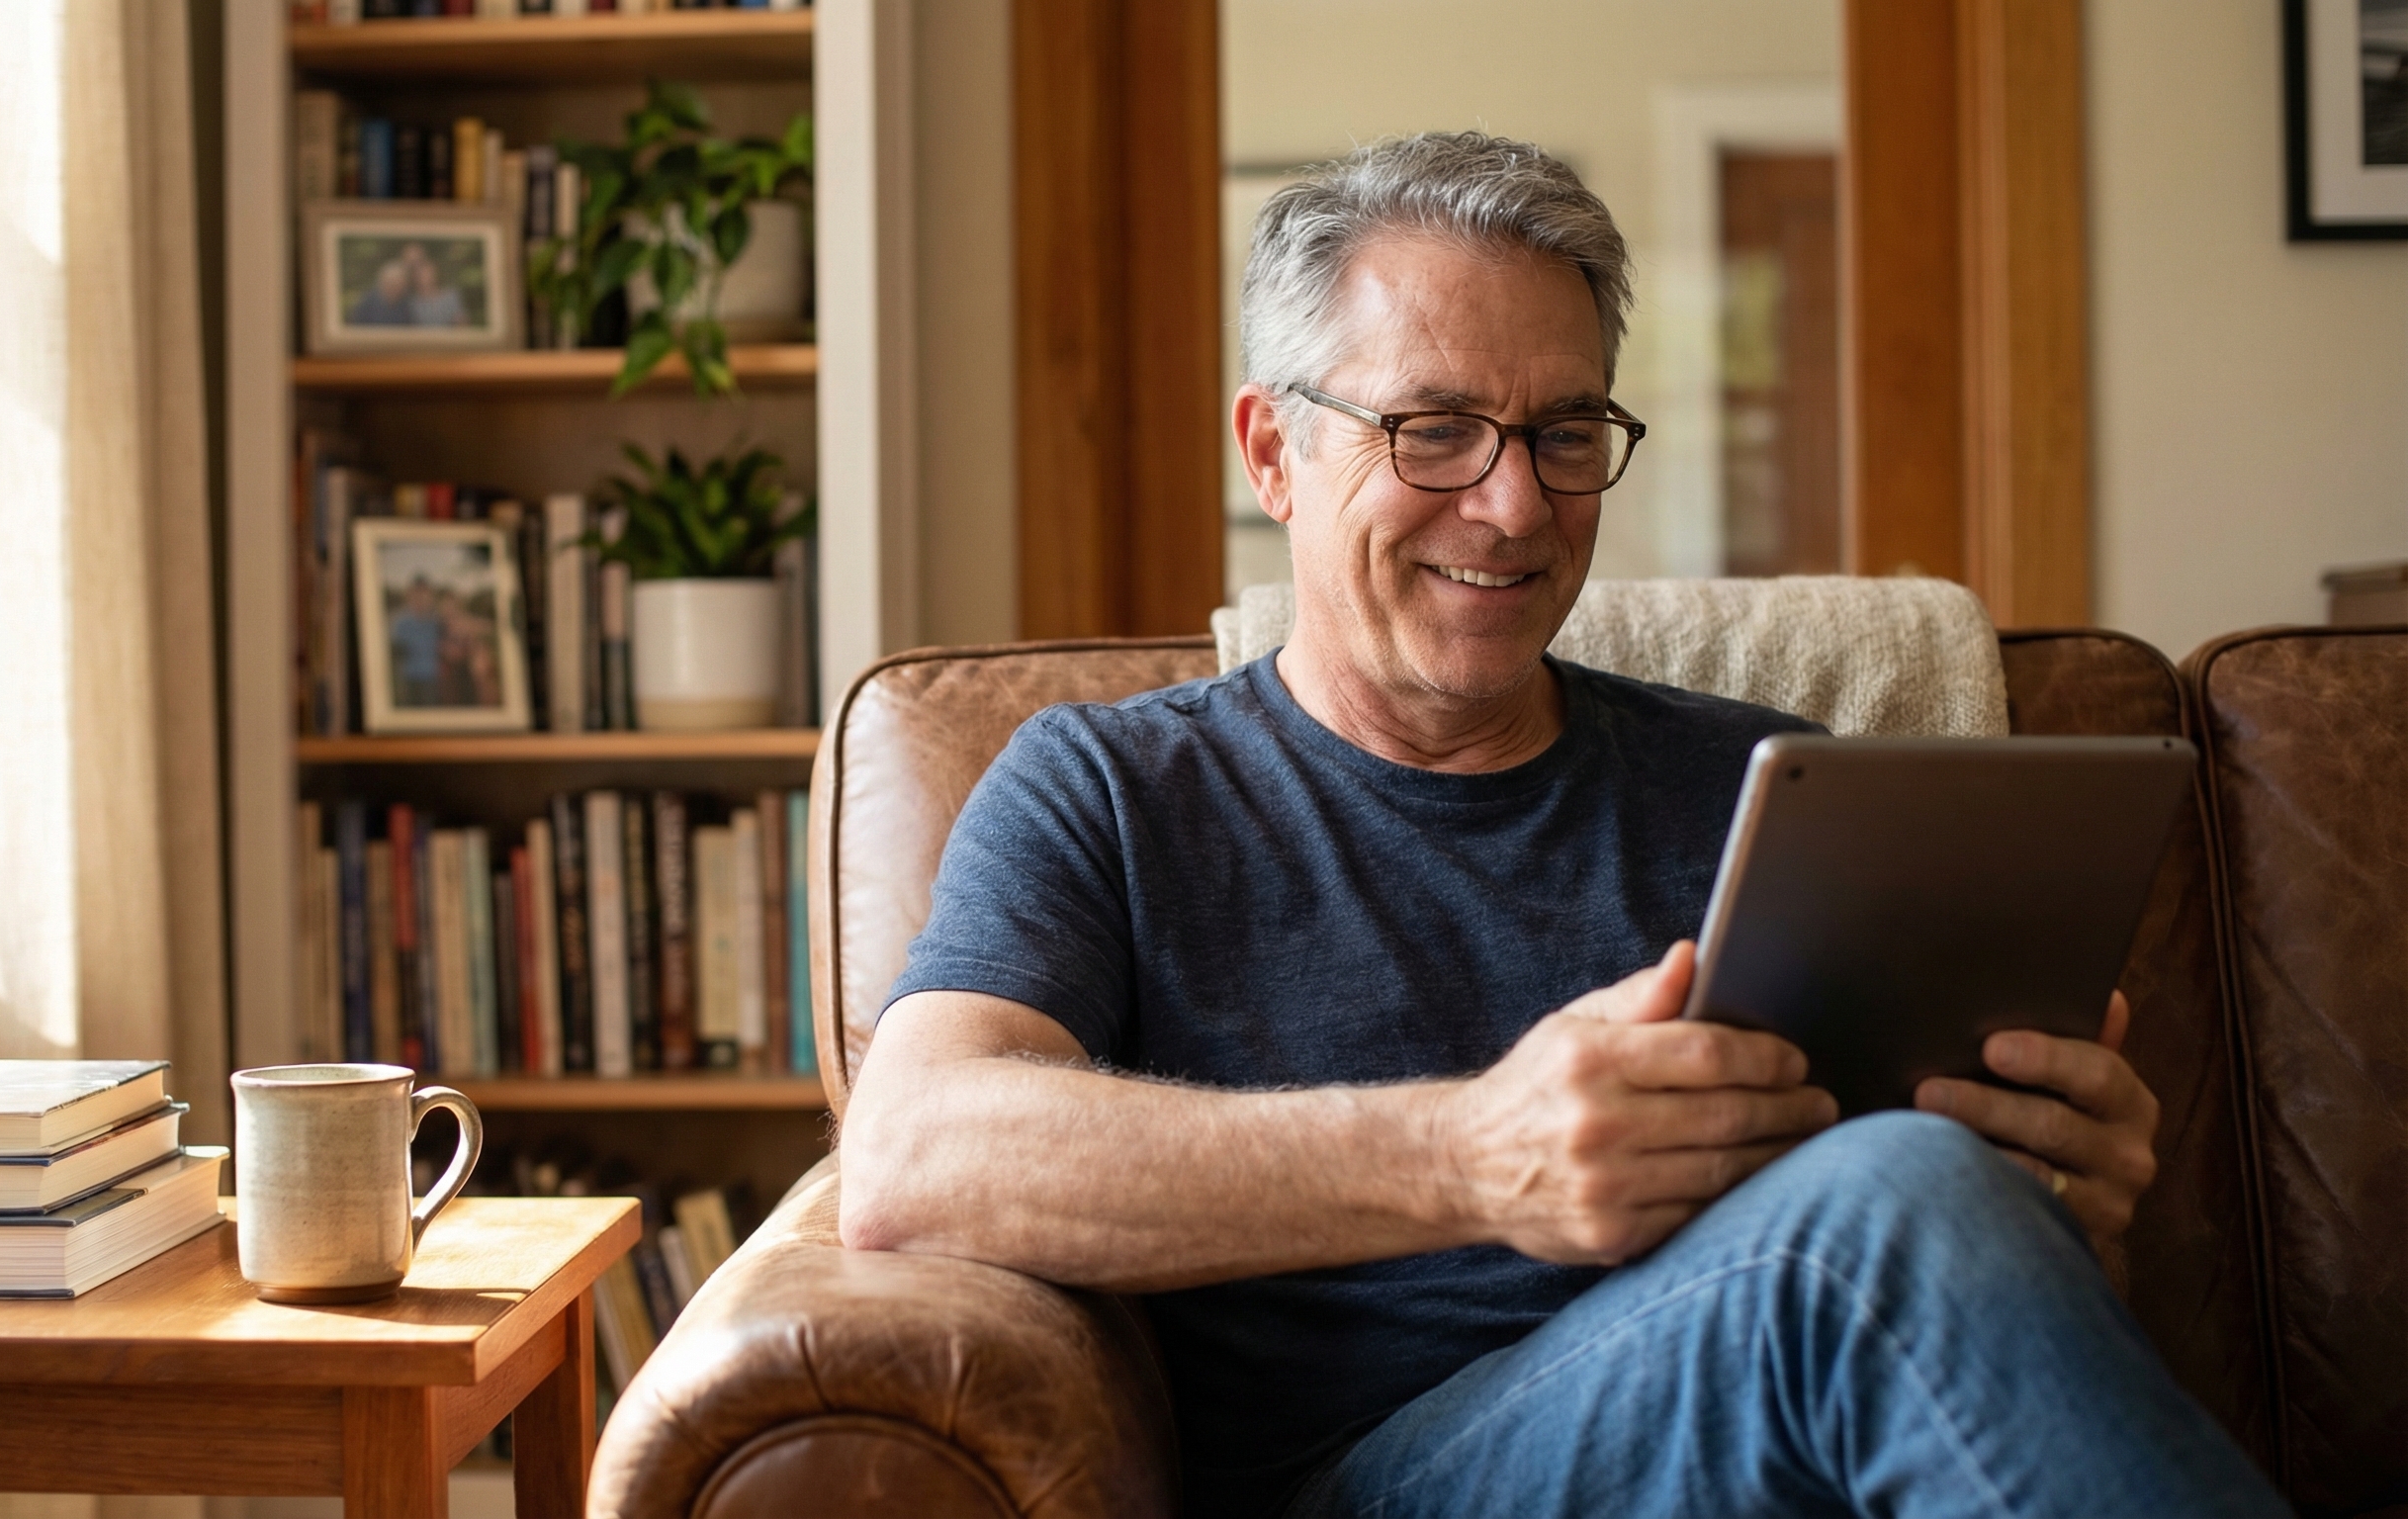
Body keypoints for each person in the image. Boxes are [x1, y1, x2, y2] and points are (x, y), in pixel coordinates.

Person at [834, 132, 2289, 1519]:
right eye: (1434, 432)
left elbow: (1937, 1322)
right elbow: (914, 1157)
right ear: (1273, 452)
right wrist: (1470, 1153)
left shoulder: (1780, 790)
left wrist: (2056, 1209)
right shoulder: (1109, 787)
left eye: (1565, 433)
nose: (1515, 506)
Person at [388, 578, 443, 707]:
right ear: (410, 596)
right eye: (417, 594)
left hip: (432, 678)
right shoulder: (401, 623)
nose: (421, 599)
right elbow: (396, 652)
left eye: (424, 594)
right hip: (409, 678)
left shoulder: (437, 621)